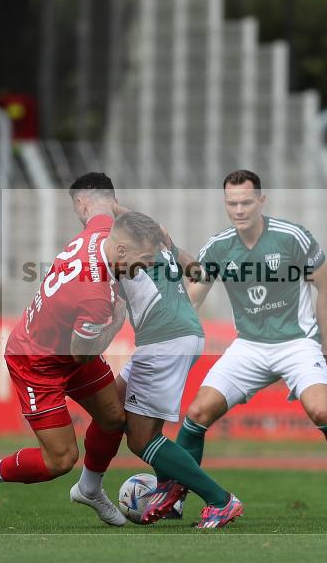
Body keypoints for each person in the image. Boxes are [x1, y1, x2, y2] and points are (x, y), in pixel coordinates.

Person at [171, 169, 327, 520]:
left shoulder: (292, 237)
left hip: (297, 343)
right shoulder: (217, 247)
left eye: (245, 202)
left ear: (262, 200)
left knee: (321, 412)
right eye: (232, 203)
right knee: (196, 415)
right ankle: (175, 500)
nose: (239, 209)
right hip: (249, 346)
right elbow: (192, 299)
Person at [0, 206, 163, 526]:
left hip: (63, 346)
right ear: (123, 249)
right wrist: (115, 324)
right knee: (60, 459)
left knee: (113, 418)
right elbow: (82, 354)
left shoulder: (100, 234)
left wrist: (148, 226)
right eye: (146, 259)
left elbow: (101, 209)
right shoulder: (96, 299)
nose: (147, 267)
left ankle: (90, 489)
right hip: (37, 363)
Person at [66, 173, 244, 529]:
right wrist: (169, 250)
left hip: (165, 339)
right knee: (112, 407)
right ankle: (111, 486)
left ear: (83, 203)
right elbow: (196, 269)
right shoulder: (146, 229)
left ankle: (220, 500)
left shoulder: (111, 238)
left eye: (77, 207)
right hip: (176, 334)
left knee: (142, 439)